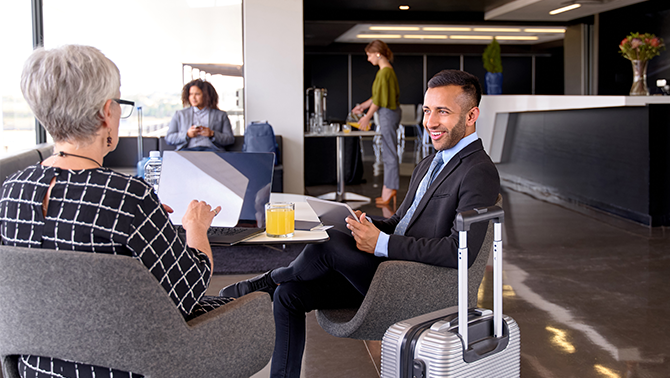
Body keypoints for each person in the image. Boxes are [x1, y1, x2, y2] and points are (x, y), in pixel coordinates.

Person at [220, 69, 501, 378]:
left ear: (472, 115)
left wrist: (381, 243)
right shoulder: (430, 163)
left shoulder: (478, 170)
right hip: (388, 271)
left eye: (442, 112)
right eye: (427, 111)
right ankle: (276, 299)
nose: (430, 122)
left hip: (419, 284)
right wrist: (364, 224)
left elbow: (460, 251)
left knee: (328, 242)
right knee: (291, 293)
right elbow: (401, 222)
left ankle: (266, 282)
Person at [0, 45, 233, 378]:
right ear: (106, 113)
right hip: (127, 368)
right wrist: (195, 227)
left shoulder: (11, 190)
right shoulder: (129, 196)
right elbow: (189, 287)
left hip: (35, 367)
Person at [352, 40, 401, 207]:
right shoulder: (385, 71)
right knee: (387, 151)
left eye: (369, 55)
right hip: (387, 113)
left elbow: (380, 100)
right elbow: (377, 96)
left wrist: (367, 117)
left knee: (389, 152)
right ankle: (388, 188)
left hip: (387, 113)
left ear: (378, 53)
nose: (368, 59)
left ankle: (390, 188)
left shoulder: (385, 72)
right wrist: (363, 107)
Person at [165, 79, 235, 151]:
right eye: (191, 94)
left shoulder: (221, 115)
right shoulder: (179, 114)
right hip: (187, 151)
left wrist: (212, 134)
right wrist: (187, 135)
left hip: (212, 151)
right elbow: (169, 138)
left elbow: (230, 139)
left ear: (206, 95)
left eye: (197, 94)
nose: (193, 97)